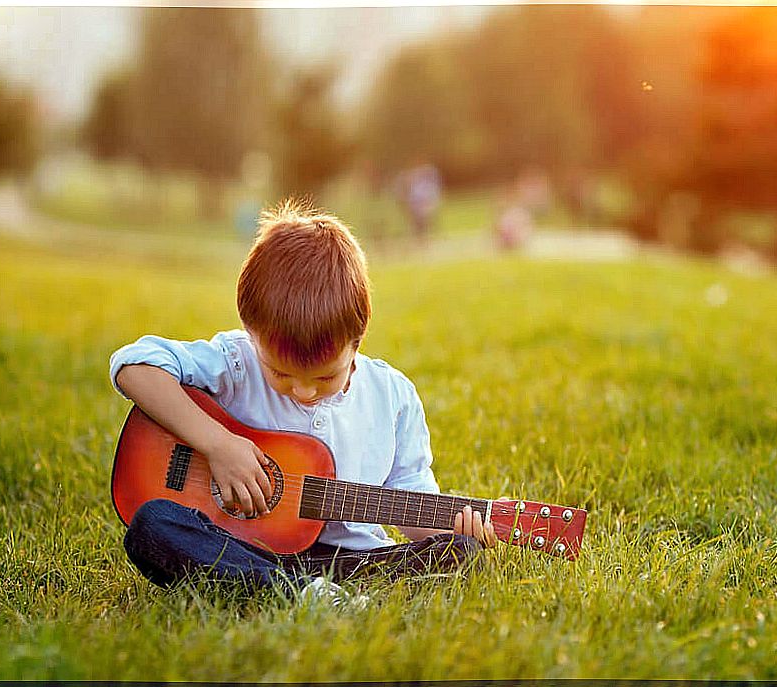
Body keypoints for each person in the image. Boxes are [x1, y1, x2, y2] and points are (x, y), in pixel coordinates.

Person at [110, 198, 497, 598]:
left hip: (350, 559)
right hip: (242, 547)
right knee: (154, 525)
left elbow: (412, 499)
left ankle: (297, 592)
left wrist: (457, 524)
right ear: (251, 332)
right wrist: (219, 445)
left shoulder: (392, 396)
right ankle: (303, 594)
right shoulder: (238, 363)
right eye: (280, 373)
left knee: (461, 552)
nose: (303, 391)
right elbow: (133, 365)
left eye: (326, 376)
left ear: (357, 340)